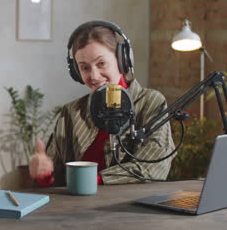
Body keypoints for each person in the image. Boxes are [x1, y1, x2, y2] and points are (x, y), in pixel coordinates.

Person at [29, 20, 175, 186]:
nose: (94, 75)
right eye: (84, 68)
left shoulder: (151, 102)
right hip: (78, 208)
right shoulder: (71, 112)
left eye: (101, 63)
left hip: (131, 207)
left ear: (122, 60)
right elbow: (55, 181)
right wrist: (44, 175)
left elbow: (153, 167)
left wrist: (93, 180)